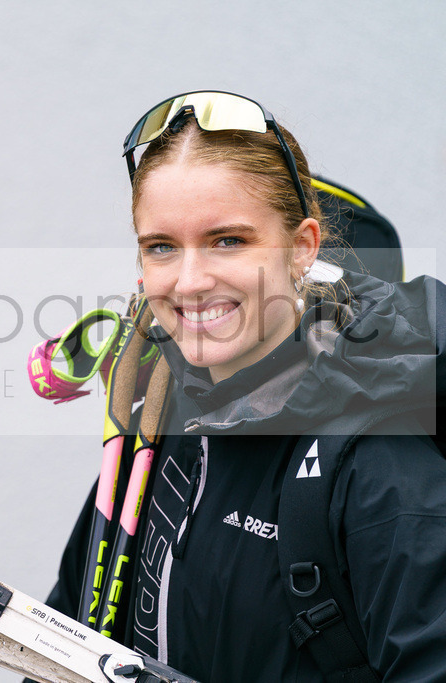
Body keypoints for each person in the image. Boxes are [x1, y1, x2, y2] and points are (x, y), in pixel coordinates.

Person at [42, 92, 446, 681]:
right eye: (161, 247)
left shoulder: (379, 463)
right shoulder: (157, 429)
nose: (189, 280)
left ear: (303, 247)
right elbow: (76, 637)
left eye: (228, 240)